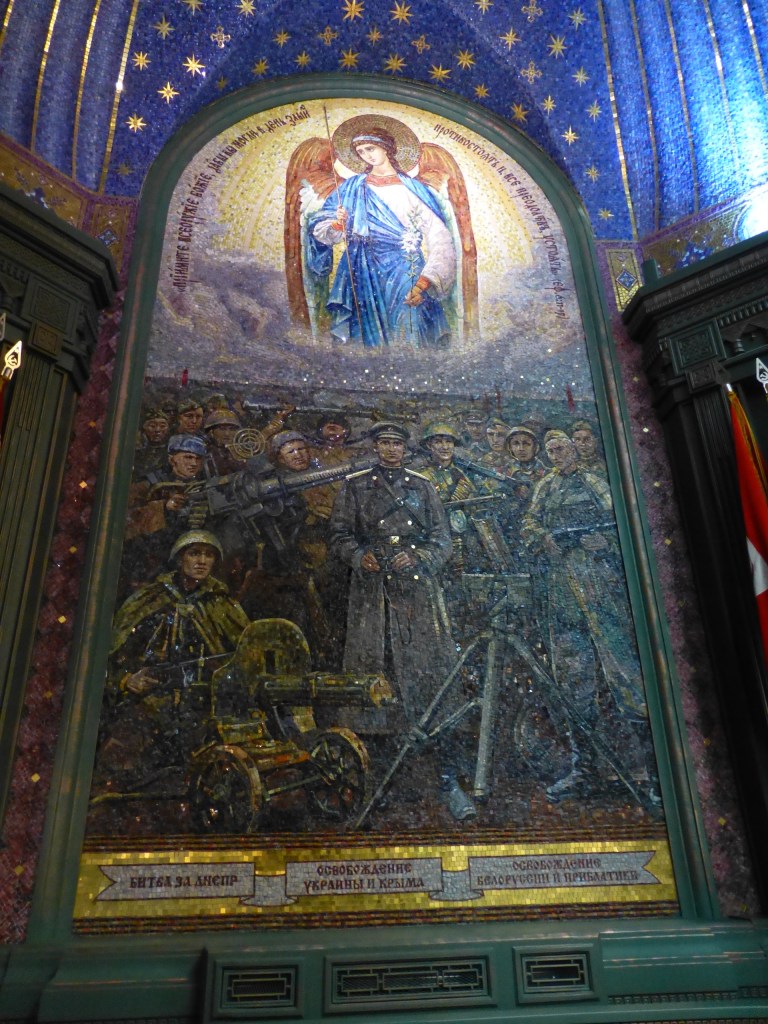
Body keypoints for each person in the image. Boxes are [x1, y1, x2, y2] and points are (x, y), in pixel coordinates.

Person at [329, 421, 475, 821]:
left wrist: (420, 557)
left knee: (431, 677)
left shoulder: (423, 487)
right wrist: (359, 556)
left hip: (417, 595)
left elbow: (442, 540)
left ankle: (448, 781)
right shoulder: (355, 486)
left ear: (406, 449)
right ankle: (376, 779)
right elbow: (339, 536)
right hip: (372, 594)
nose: (391, 450)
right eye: (384, 443)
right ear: (375, 447)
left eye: (397, 444)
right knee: (374, 676)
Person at [521, 431, 654, 803]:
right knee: (573, 686)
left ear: (574, 448)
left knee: (627, 681)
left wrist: (606, 543)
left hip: (601, 594)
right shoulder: (545, 487)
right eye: (550, 450)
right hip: (563, 596)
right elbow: (529, 525)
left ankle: (655, 775)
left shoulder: (596, 483)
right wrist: (544, 539)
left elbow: (626, 526)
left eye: (561, 447)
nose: (556, 454)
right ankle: (584, 771)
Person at [93, 531, 250, 795]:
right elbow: (109, 656)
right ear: (179, 559)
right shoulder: (148, 600)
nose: (202, 561)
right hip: (151, 702)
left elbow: (245, 654)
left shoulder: (222, 604)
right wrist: (127, 680)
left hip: (205, 706)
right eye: (194, 553)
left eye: (208, 555)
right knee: (118, 767)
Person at [307, 129, 456, 348]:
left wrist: (425, 282)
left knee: (410, 323)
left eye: (371, 148)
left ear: (386, 148)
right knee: (363, 335)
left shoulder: (413, 189)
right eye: (361, 152)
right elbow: (321, 227)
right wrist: (337, 224)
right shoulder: (351, 187)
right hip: (361, 267)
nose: (367, 155)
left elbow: (439, 237)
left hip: (403, 266)